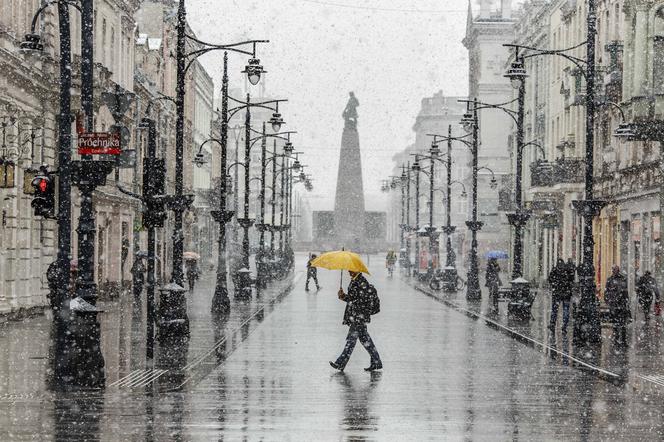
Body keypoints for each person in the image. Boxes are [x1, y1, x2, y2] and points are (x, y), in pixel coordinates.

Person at [330, 271, 382, 372]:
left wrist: (345, 297)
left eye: (351, 269)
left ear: (357, 270)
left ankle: (340, 362)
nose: (349, 271)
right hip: (358, 316)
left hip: (359, 317)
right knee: (365, 340)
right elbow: (354, 298)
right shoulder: (356, 281)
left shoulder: (361, 282)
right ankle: (376, 362)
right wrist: (343, 296)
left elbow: (359, 301)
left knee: (351, 341)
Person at [605, 265, 630, 346]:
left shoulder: (623, 279)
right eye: (613, 270)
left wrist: (626, 302)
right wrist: (609, 301)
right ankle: (616, 340)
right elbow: (607, 292)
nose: (614, 271)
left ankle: (623, 340)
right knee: (616, 323)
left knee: (622, 324)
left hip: (621, 304)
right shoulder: (610, 280)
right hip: (614, 305)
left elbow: (625, 292)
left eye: (616, 270)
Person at [548, 258, 572, 332]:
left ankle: (552, 324)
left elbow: (550, 279)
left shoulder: (555, 270)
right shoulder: (567, 270)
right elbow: (571, 279)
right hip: (566, 293)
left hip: (557, 293)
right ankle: (564, 325)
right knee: (566, 309)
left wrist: (554, 285)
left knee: (554, 309)